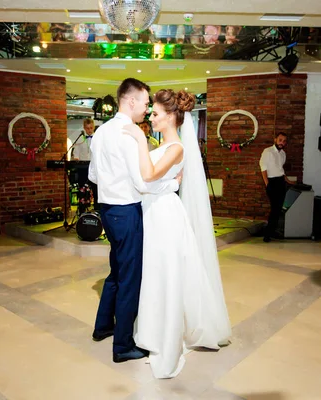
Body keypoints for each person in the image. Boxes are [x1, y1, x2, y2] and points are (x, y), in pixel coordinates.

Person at [123, 89, 231, 379]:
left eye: (155, 113)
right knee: (156, 276)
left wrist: (138, 140)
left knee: (167, 277)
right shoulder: (165, 147)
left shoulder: (177, 148)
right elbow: (152, 177)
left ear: (171, 116)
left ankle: (167, 340)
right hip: (155, 214)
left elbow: (147, 175)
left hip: (166, 218)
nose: (151, 117)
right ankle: (154, 331)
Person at [88, 78, 181, 364]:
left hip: (106, 209)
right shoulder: (128, 133)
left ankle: (104, 326)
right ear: (130, 101)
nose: (145, 108)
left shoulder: (102, 131)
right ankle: (123, 346)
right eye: (144, 102)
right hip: (126, 212)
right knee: (130, 279)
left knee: (116, 271)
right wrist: (172, 185)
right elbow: (144, 180)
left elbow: (92, 175)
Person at [259, 132, 295, 242]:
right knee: (275, 208)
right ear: (275, 140)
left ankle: (272, 231)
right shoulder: (268, 151)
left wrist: (287, 180)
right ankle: (267, 234)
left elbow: (280, 170)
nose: (282, 142)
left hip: (280, 182)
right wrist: (267, 184)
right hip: (272, 182)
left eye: (284, 141)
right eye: (280, 140)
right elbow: (263, 168)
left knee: (278, 209)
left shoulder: (283, 154)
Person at [72, 118, 98, 210]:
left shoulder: (98, 138)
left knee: (95, 190)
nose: (89, 130)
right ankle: (82, 210)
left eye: (91, 128)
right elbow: (76, 151)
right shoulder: (80, 138)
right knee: (82, 189)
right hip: (83, 167)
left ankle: (97, 209)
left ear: (93, 127)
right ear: (84, 128)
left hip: (94, 168)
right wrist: (76, 157)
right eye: (87, 128)